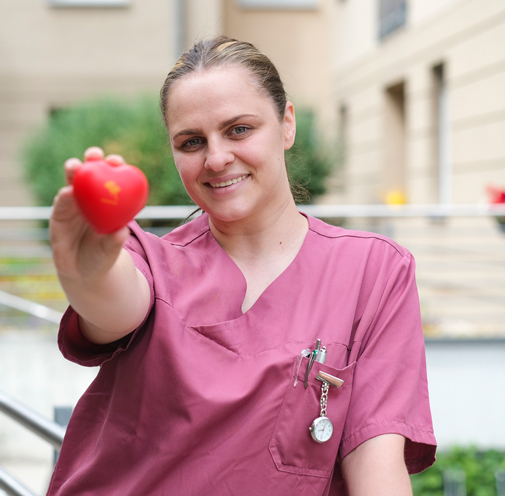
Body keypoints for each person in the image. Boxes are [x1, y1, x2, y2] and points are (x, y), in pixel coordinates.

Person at [47, 36, 436, 496]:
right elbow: (113, 304)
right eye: (192, 141)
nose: (216, 158)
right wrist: (86, 271)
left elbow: (376, 463)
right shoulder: (150, 261)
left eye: (238, 130)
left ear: (286, 124)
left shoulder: (373, 271)